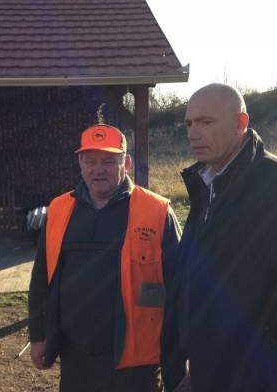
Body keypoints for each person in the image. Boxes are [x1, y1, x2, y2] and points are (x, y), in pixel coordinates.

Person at [172, 84, 277, 392]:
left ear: (240, 123)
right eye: (189, 123)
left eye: (206, 122)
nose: (193, 133)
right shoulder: (206, 186)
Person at [28, 124, 184, 392]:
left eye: (109, 161)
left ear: (126, 163)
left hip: (137, 364)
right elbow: (41, 278)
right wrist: (38, 335)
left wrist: (177, 363)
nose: (98, 169)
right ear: (80, 163)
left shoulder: (157, 211)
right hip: (76, 359)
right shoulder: (59, 209)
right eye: (91, 161)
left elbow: (180, 290)